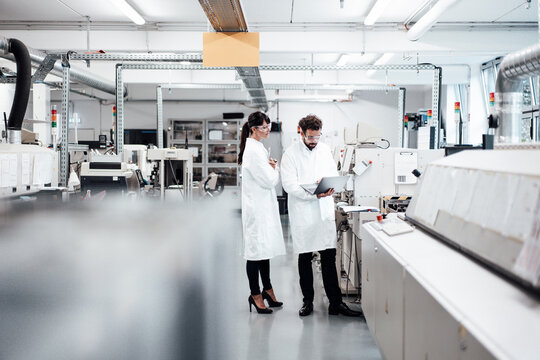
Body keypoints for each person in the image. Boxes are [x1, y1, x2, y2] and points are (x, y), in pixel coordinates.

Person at [281, 114, 361, 317]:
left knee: (328, 256)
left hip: (324, 210)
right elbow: (289, 185)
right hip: (304, 212)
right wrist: (315, 192)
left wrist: (330, 186)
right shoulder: (290, 154)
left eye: (317, 137)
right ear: (301, 132)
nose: (314, 141)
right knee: (305, 257)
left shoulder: (324, 150)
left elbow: (332, 174)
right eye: (310, 137)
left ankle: (336, 303)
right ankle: (307, 302)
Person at [238, 111, 286, 314]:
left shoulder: (258, 147)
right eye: (264, 127)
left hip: (262, 206)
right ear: (253, 129)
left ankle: (268, 289)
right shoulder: (252, 150)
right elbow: (269, 181)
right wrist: (275, 169)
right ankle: (255, 294)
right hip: (256, 210)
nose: (268, 130)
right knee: (255, 252)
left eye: (269, 126)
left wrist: (270, 168)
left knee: (263, 250)